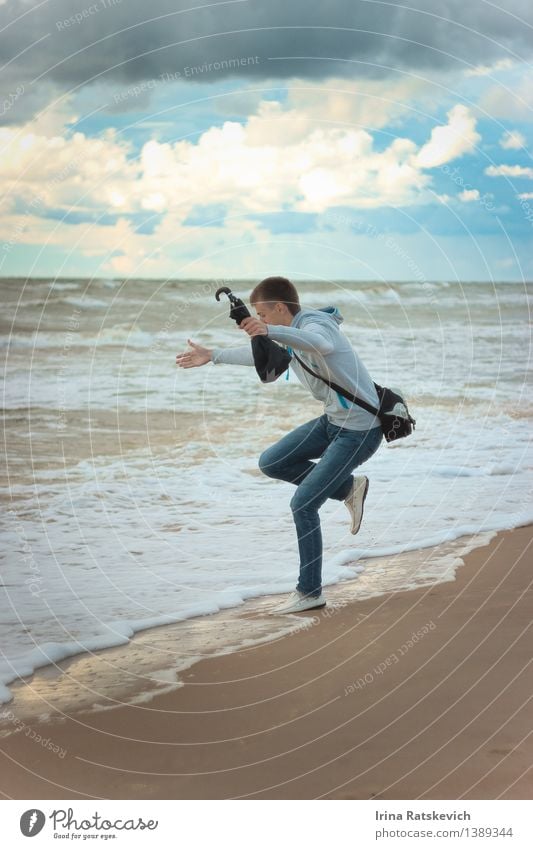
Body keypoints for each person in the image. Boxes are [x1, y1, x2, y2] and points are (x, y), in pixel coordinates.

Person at [175, 276, 383, 614]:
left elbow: (321, 344)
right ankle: (348, 488)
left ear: (281, 308)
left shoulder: (317, 324)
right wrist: (213, 355)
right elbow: (260, 355)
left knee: (303, 505)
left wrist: (267, 330)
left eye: (263, 314)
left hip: (359, 431)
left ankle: (310, 592)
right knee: (272, 462)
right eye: (257, 316)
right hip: (332, 422)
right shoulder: (286, 335)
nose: (261, 320)